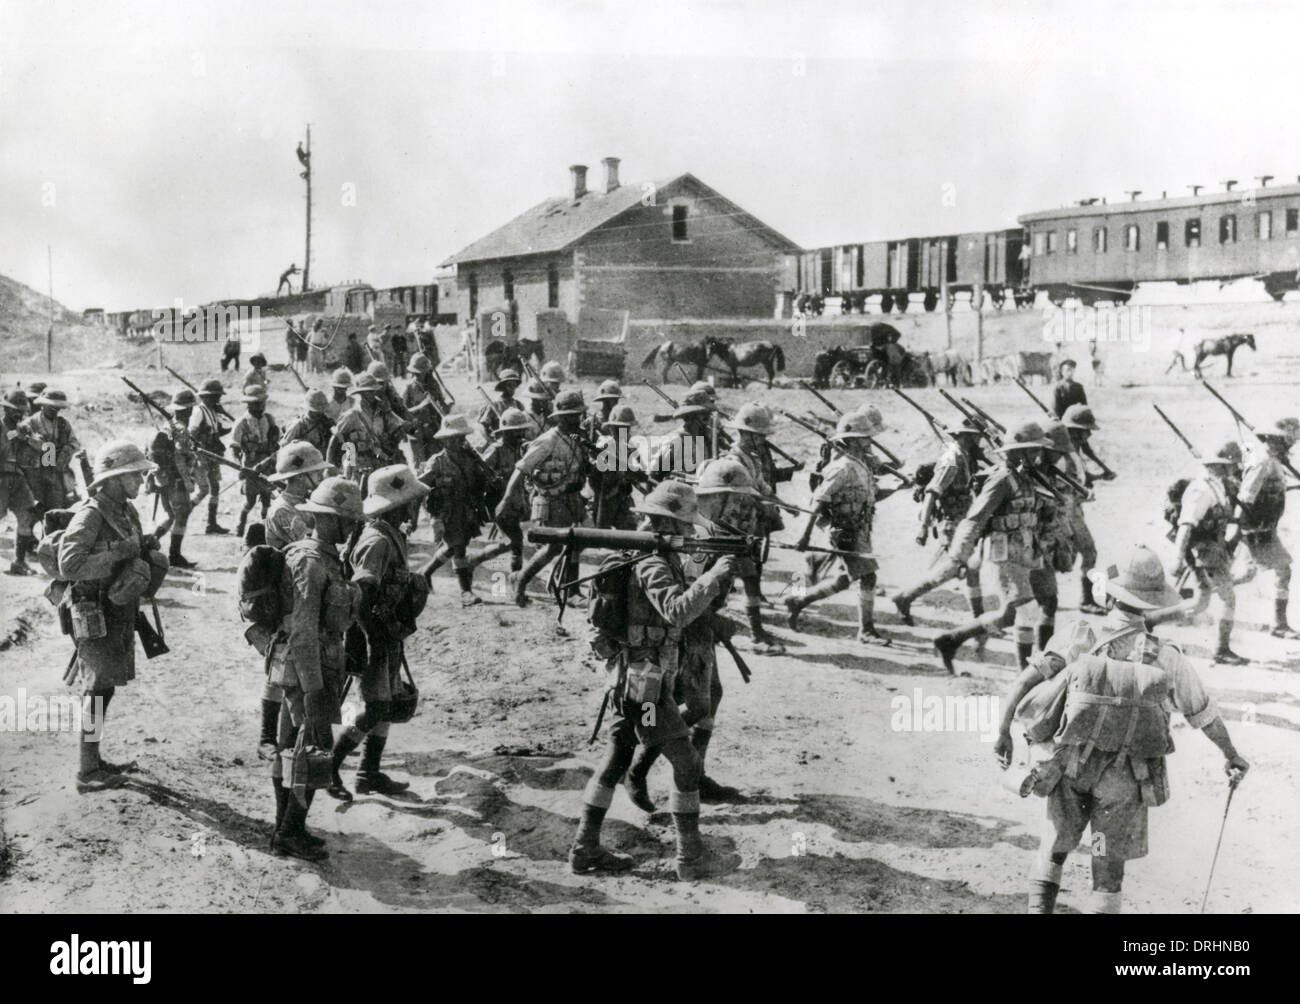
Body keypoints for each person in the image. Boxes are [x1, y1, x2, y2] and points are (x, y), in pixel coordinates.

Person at [993, 547, 1249, 914]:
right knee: (1106, 863)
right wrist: (1231, 754)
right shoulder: (1167, 656)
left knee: (1054, 847)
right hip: (1125, 779)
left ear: (1110, 594)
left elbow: (1025, 680)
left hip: (1070, 766)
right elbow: (1203, 714)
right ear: (1152, 603)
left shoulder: (1079, 634)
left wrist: (1003, 731)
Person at [568, 481, 741, 878]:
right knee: (685, 762)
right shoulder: (651, 563)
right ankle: (690, 858)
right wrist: (713, 576)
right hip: (645, 691)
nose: (688, 534)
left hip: (630, 681)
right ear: (666, 524)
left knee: (615, 761)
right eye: (683, 526)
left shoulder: (646, 556)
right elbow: (677, 612)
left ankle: (585, 847)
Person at [623, 459, 754, 811]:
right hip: (681, 630)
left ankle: (692, 771)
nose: (739, 506)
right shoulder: (692, 534)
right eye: (733, 498)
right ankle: (641, 767)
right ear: (719, 496)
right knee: (694, 703)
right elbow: (682, 597)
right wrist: (714, 616)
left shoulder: (715, 528)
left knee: (710, 697)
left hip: (698, 626)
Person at [58, 440, 169, 792]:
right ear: (115, 478)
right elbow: (69, 564)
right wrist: (120, 550)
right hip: (95, 612)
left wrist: (144, 544)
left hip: (116, 609)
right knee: (97, 689)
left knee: (104, 688)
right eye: (135, 475)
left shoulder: (124, 510)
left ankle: (93, 761)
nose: (141, 481)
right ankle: (87, 772)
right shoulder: (90, 515)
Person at [267, 476, 363, 860]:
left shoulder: (322, 557)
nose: (352, 526)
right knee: (313, 749)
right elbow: (304, 631)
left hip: (305, 668)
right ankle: (288, 833)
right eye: (347, 520)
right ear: (329, 520)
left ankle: (287, 827)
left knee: (291, 747)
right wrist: (314, 686)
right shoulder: (310, 561)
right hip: (306, 670)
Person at [328, 465, 429, 800]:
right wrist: (370, 639)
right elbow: (362, 591)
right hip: (372, 637)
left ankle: (367, 773)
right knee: (375, 707)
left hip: (387, 635)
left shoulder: (391, 533)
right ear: (397, 505)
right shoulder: (377, 540)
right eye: (412, 501)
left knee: (388, 704)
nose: (416, 507)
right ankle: (331, 768)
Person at [930, 420, 1059, 674]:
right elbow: (974, 519)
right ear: (1018, 451)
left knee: (1010, 615)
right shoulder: (1001, 479)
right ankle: (1024, 677)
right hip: (1004, 554)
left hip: (1027, 551)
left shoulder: (1027, 478)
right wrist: (958, 557)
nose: (1038, 455)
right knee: (1026, 610)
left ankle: (951, 640)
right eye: (1032, 450)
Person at [785, 410, 898, 645]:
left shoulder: (860, 466)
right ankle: (866, 631)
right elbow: (818, 502)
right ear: (854, 440)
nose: (870, 441)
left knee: (845, 579)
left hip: (860, 530)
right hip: (845, 532)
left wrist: (896, 489)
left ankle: (798, 601)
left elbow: (871, 497)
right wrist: (805, 536)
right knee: (869, 576)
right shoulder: (843, 467)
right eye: (866, 437)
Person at [254, 442, 333, 762]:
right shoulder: (285, 509)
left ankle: (298, 736)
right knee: (280, 669)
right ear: (301, 477)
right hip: (286, 596)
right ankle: (268, 738)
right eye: (316, 473)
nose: (320, 477)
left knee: (289, 669)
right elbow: (311, 544)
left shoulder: (302, 502)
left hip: (300, 590)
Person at [499, 389, 590, 606]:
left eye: (578, 415)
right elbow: (521, 469)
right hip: (553, 500)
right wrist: (506, 499)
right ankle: (521, 580)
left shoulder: (578, 438)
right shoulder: (547, 440)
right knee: (553, 547)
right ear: (559, 417)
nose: (575, 419)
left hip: (574, 498)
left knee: (581, 538)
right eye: (570, 415)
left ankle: (570, 588)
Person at [892, 421, 986, 628]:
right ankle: (905, 596)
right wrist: (924, 526)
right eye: (976, 437)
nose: (979, 441)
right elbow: (932, 493)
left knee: (970, 568)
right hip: (952, 522)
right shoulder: (952, 460)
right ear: (965, 437)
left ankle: (978, 620)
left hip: (962, 520)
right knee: (953, 568)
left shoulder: (964, 456)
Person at [723, 402, 798, 654]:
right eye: (759, 435)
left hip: (748, 527)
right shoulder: (733, 461)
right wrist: (765, 505)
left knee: (749, 577)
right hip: (733, 529)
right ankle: (753, 634)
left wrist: (785, 505)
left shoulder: (751, 459)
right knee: (735, 578)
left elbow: (763, 488)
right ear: (746, 434)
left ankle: (755, 631)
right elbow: (744, 494)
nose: (763, 440)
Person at [1173, 443, 1246, 664]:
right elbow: (1185, 526)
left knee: (1201, 601)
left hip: (1214, 549)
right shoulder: (1201, 490)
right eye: (1231, 465)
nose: (1234, 469)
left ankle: (1150, 619)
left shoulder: (1218, 486)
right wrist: (1177, 559)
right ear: (1219, 467)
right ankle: (1221, 650)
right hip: (1205, 552)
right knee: (1228, 599)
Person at [418, 414, 492, 605]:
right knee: (458, 548)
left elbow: (479, 480)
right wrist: (429, 514)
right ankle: (465, 592)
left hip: (466, 509)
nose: (457, 441)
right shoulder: (437, 461)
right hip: (446, 511)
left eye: (460, 437)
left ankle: (425, 572)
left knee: (455, 546)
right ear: (444, 440)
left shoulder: (470, 459)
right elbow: (422, 485)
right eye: (452, 438)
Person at [1238, 421, 1298, 638]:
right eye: (1288, 441)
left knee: (1246, 574)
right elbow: (1245, 497)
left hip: (1264, 527)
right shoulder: (1263, 461)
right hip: (1256, 528)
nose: (1292, 445)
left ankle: (1203, 593)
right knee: (1283, 570)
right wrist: (1241, 531)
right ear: (1278, 441)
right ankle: (1279, 625)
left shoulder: (1272, 460)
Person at [465, 407, 530, 578]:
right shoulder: (496, 449)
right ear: (506, 432)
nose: (520, 435)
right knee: (514, 541)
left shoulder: (520, 449)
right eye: (515, 432)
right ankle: (516, 580)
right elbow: (479, 472)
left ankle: (474, 560)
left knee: (512, 542)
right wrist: (491, 481)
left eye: (521, 431)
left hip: (515, 501)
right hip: (498, 502)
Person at [147, 389, 199, 569]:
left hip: (162, 479)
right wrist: (188, 481)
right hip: (175, 480)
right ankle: (174, 554)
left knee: (170, 516)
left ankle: (147, 546)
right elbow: (180, 457)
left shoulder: (168, 426)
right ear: (189, 410)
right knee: (182, 515)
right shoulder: (180, 429)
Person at [327, 373, 409, 486]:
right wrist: (330, 467)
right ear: (362, 393)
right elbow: (335, 439)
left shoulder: (382, 412)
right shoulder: (352, 415)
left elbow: (398, 430)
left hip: (380, 462)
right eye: (369, 391)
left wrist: (390, 413)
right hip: (359, 465)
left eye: (374, 390)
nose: (373, 394)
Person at [230, 384, 279, 537]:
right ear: (249, 404)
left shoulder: (270, 420)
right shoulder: (241, 423)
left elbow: (277, 442)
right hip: (250, 465)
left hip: (268, 464)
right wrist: (239, 467)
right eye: (255, 403)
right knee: (250, 501)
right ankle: (240, 526)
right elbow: (234, 447)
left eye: (261, 403)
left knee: (266, 499)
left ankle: (266, 530)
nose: (259, 406)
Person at [21, 387, 80, 512]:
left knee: (57, 509)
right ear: (42, 405)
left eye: (58, 408)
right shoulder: (29, 424)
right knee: (32, 513)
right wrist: (33, 443)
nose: (55, 411)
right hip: (34, 475)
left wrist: (65, 453)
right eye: (51, 407)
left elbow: (75, 443)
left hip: (56, 474)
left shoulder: (63, 424)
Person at [0, 389, 39, 574]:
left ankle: (19, 561)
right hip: (1, 478)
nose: (19, 413)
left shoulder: (23, 428)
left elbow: (41, 447)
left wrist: (31, 439)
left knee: (27, 516)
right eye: (14, 410)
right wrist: (17, 435)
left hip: (18, 478)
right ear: (5, 409)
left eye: (21, 411)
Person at [588, 404, 643, 530]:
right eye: (619, 429)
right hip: (606, 499)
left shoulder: (630, 447)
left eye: (626, 429)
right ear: (612, 429)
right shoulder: (603, 446)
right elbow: (595, 476)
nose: (624, 432)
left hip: (623, 498)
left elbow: (638, 469)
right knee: (601, 536)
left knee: (629, 532)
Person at [189, 379, 230, 535]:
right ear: (206, 397)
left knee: (215, 487)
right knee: (203, 490)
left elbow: (217, 432)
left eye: (218, 397)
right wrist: (198, 450)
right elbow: (191, 433)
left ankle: (211, 523)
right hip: (202, 455)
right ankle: (184, 513)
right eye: (215, 397)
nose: (218, 399)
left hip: (213, 454)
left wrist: (225, 417)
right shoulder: (199, 411)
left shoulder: (213, 412)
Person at [652, 390, 718, 479]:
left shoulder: (706, 437)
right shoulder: (676, 440)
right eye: (703, 413)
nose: (708, 416)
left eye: (708, 412)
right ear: (691, 415)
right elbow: (653, 472)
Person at [403, 352, 449, 466]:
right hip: (417, 433)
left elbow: (442, 404)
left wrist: (444, 407)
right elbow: (403, 414)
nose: (419, 376)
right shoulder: (409, 387)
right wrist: (421, 406)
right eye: (416, 373)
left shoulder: (433, 385)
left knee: (438, 461)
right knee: (421, 464)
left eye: (422, 373)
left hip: (434, 429)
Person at [479, 368, 522, 439]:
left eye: (514, 385)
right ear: (503, 387)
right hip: (501, 441)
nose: (512, 388)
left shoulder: (518, 404)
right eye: (509, 385)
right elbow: (484, 426)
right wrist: (492, 441)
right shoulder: (495, 405)